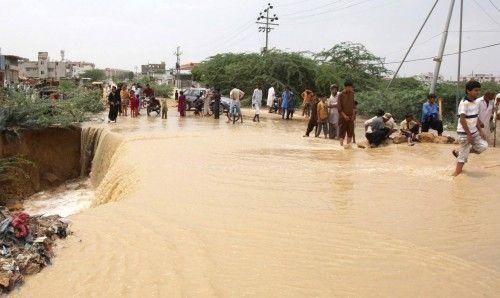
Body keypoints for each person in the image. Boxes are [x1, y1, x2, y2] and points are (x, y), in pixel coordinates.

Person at [452, 81, 488, 176]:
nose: (478, 92)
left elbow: (475, 117)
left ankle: (459, 152)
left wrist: (480, 130)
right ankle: (455, 176)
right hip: (464, 133)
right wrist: (468, 134)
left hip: (474, 131)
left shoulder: (475, 102)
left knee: (483, 146)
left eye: (479, 90)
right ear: (468, 91)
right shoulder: (464, 103)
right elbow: (462, 120)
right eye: (476, 90)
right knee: (463, 157)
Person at [337, 80, 356, 148]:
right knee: (342, 134)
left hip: (351, 117)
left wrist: (353, 115)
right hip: (342, 117)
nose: (350, 88)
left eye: (351, 87)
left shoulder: (352, 93)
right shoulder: (340, 95)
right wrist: (344, 116)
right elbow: (339, 108)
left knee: (350, 133)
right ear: (345, 87)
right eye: (349, 87)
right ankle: (341, 148)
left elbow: (353, 106)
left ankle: (348, 148)